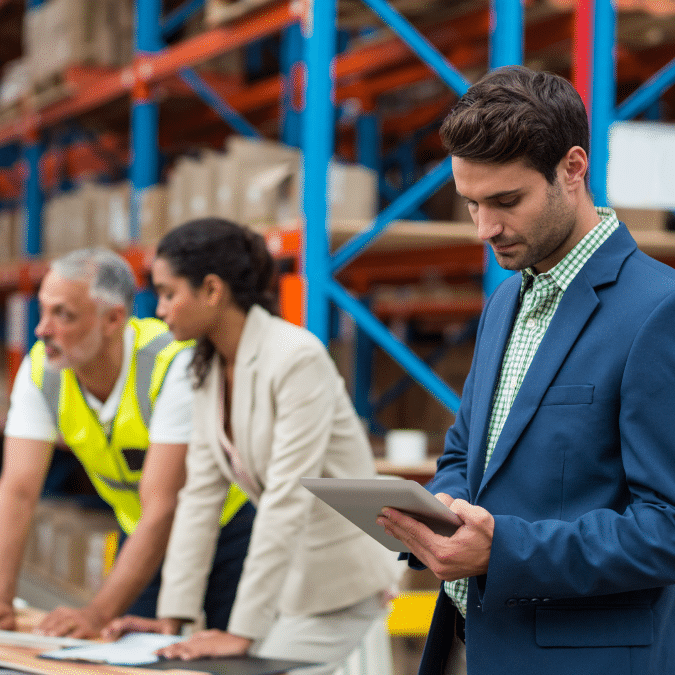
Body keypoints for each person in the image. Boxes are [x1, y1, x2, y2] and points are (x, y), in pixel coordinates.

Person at [377, 65, 675, 675]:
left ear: (572, 169)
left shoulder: (658, 310)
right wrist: (436, 514)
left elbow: (667, 528)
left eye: (506, 202)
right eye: (471, 204)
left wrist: (503, 549)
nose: (485, 228)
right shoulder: (505, 303)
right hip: (475, 645)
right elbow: (466, 457)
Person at [107, 219, 401, 672]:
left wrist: (240, 632)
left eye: (168, 293)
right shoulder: (205, 368)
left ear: (211, 290)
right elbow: (200, 498)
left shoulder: (296, 357)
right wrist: (173, 617)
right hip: (288, 582)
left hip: (338, 582)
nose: (160, 310)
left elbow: (287, 497)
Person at [0, 248, 253, 638]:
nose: (42, 329)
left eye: (62, 314)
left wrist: (97, 612)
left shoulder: (173, 365)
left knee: (236, 657)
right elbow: (17, 490)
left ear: (113, 319)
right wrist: (1, 600)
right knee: (127, 653)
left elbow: (163, 506)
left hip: (227, 530)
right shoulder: (43, 370)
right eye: (42, 310)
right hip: (142, 534)